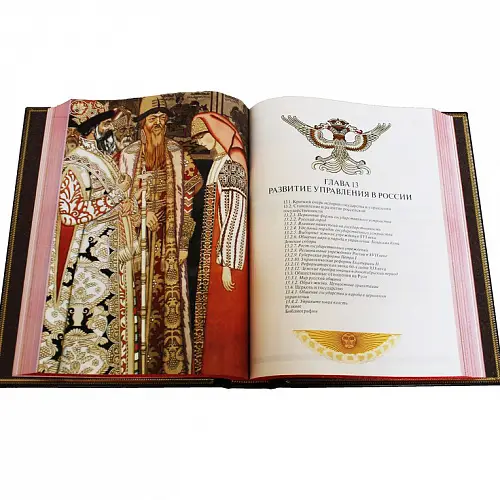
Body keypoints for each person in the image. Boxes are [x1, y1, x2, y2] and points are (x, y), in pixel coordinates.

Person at [38, 100, 139, 374]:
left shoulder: (102, 160)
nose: (112, 131)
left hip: (107, 254)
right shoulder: (75, 165)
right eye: (106, 125)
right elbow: (70, 214)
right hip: (86, 262)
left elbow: (115, 200)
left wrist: (125, 202)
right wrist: (117, 196)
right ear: (92, 129)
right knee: (88, 325)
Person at [120, 96, 203, 374]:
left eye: (162, 118)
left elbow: (190, 194)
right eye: (153, 118)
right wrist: (141, 214)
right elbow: (120, 198)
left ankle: (170, 366)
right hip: (137, 238)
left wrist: (184, 242)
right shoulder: (128, 155)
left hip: (169, 236)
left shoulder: (177, 152)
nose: (158, 123)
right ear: (142, 123)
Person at [190, 112, 248, 377]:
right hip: (213, 251)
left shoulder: (231, 166)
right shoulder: (218, 163)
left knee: (223, 311)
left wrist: (227, 264)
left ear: (215, 134)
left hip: (224, 256)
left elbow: (235, 216)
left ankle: (223, 368)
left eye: (202, 136)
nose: (200, 142)